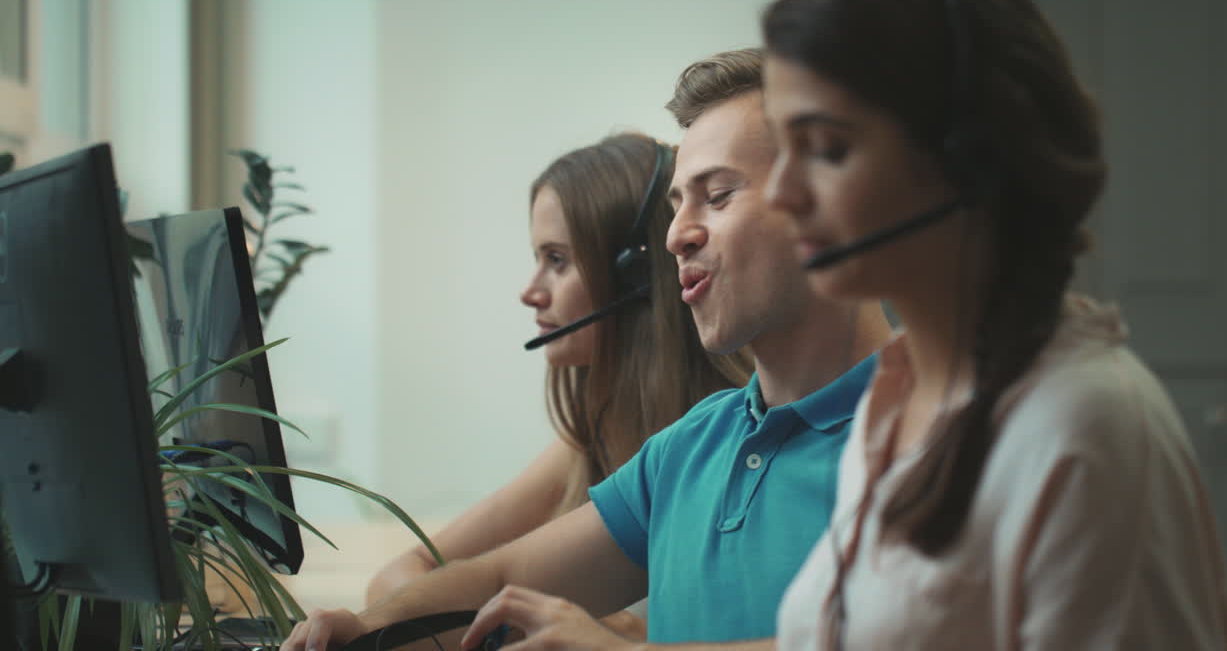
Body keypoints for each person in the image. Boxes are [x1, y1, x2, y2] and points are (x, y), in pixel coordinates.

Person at [281, 50, 893, 651]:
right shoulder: (695, 443)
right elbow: (498, 582)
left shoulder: (937, 436)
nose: (678, 234)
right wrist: (365, 631)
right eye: (679, 203)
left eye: (720, 194)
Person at [761, 0, 1227, 649]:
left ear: (969, 156)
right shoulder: (893, 399)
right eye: (779, 147)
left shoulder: (1086, 431)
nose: (779, 193)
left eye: (827, 148)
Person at [365, 133, 752, 637]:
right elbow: (401, 576)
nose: (530, 292)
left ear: (635, 277)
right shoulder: (589, 441)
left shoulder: (723, 443)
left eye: (557, 260)